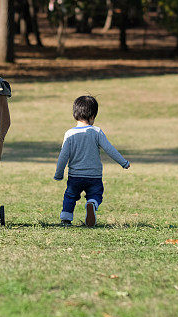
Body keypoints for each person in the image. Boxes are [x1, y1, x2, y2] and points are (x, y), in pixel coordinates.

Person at [54, 96, 130, 227]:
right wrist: (123, 162)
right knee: (95, 194)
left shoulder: (70, 134)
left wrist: (59, 173)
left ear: (74, 114)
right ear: (93, 115)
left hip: (75, 176)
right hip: (94, 176)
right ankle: (92, 203)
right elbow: (109, 149)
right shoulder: (96, 132)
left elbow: (63, 156)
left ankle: (66, 218)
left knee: (70, 197)